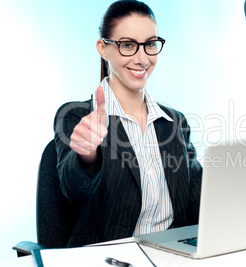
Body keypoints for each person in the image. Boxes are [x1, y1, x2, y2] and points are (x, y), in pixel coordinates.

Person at [54, 0, 202, 247]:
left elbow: (199, 200)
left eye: (150, 44)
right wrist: (87, 157)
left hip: (174, 254)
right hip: (109, 256)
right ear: (103, 48)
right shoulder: (75, 115)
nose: (142, 58)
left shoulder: (174, 121)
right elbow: (72, 189)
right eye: (128, 45)